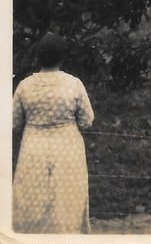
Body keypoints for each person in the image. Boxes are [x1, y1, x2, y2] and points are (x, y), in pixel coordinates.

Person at [12, 33, 95, 233]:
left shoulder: (25, 86)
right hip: (67, 148)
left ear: (39, 56)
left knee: (33, 194)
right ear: (62, 56)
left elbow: (14, 123)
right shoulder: (73, 84)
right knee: (65, 194)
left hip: (34, 147)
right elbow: (87, 121)